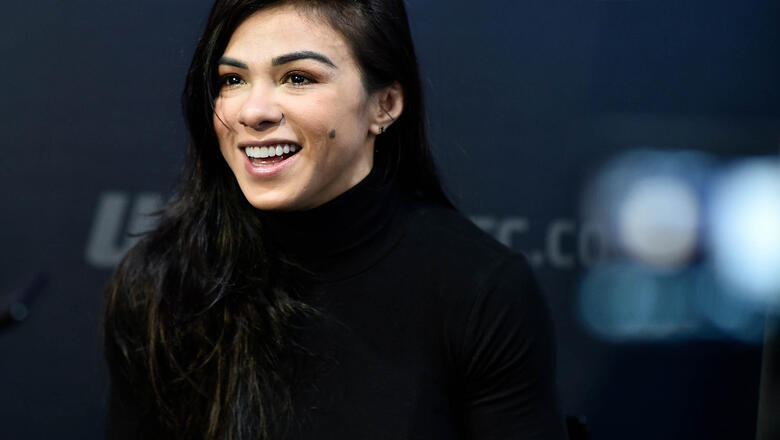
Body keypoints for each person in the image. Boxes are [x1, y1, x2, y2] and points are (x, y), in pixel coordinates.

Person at [103, 0, 568, 439]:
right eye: (233, 79)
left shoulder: (480, 290)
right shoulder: (164, 279)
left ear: (384, 105)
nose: (252, 112)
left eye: (298, 77)